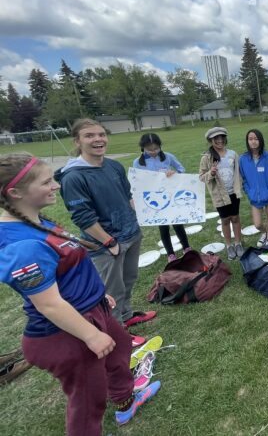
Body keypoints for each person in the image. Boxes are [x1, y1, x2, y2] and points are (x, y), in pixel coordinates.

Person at [0, 153, 160, 434]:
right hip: (66, 333)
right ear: (15, 192)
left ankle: (125, 403)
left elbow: (67, 270)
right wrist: (91, 335)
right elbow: (49, 305)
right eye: (47, 182)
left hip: (92, 310)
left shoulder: (31, 219)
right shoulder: (22, 245)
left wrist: (98, 296)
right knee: (88, 400)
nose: (56, 186)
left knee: (120, 345)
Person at [55, 119, 155, 347]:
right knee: (112, 290)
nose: (98, 139)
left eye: (101, 134)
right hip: (106, 244)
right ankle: (118, 332)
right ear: (77, 141)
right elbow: (83, 217)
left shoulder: (113, 166)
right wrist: (109, 241)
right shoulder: (73, 177)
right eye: (89, 136)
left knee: (129, 279)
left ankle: (127, 316)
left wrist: (147, 216)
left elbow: (129, 196)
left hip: (131, 234)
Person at [133, 133, 191, 263]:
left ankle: (186, 247)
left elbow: (181, 169)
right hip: (155, 201)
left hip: (170, 196)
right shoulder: (138, 163)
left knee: (178, 223)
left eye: (156, 148)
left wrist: (174, 173)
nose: (153, 152)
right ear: (143, 148)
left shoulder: (168, 157)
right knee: (163, 227)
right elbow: (136, 181)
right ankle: (170, 253)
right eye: (150, 149)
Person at [199, 127, 244, 261]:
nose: (219, 141)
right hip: (219, 194)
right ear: (210, 141)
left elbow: (238, 172)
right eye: (216, 139)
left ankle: (238, 243)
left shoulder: (233, 154)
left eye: (222, 138)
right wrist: (211, 173)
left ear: (225, 139)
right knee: (225, 220)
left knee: (235, 218)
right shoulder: (207, 158)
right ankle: (229, 245)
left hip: (233, 192)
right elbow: (201, 177)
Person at [240, 129, 268, 247]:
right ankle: (265, 232)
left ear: (260, 140)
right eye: (250, 139)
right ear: (247, 141)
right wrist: (249, 191)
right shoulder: (243, 159)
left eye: (256, 139)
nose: (253, 142)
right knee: (257, 224)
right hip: (254, 197)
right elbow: (243, 179)